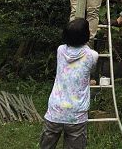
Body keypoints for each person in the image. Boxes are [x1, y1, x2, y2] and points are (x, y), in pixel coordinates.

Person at [40, 18, 99, 149]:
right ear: (86, 35)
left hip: (55, 111)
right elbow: (89, 70)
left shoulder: (60, 50)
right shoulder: (93, 55)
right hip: (77, 114)